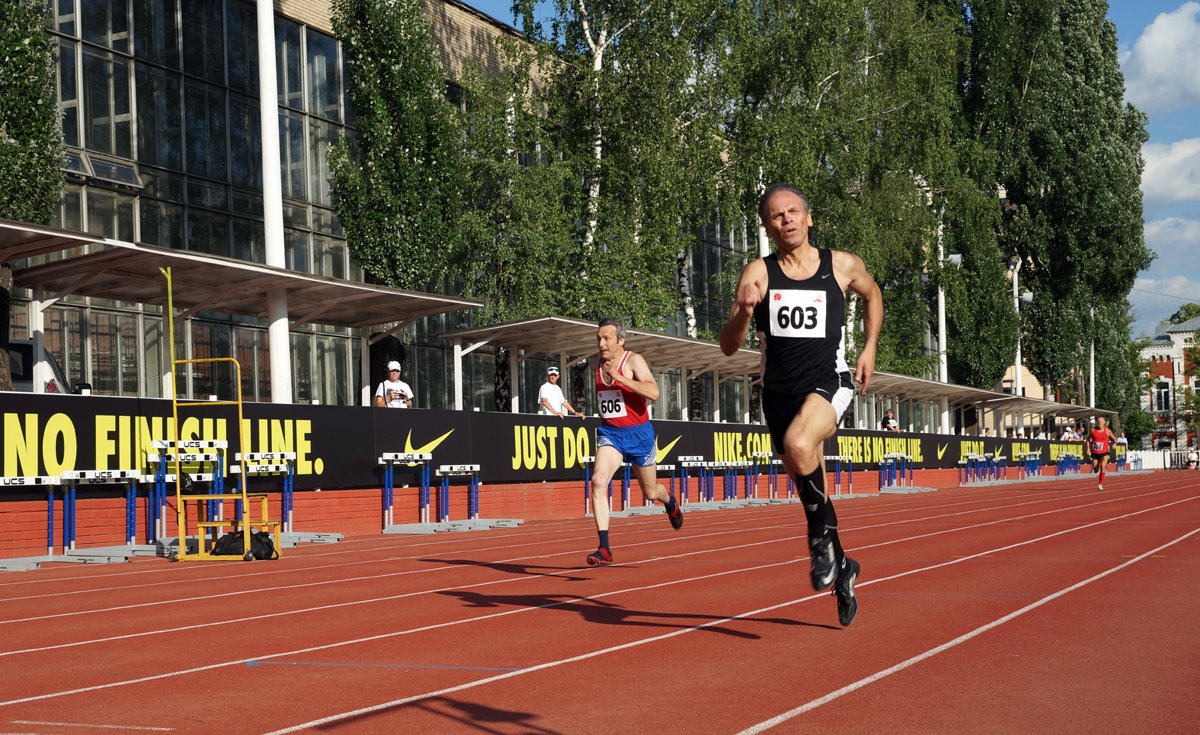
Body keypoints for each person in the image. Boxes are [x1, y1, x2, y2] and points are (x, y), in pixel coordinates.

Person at [719, 183, 882, 627]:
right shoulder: (759, 273)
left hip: (830, 381)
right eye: (776, 215)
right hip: (779, 394)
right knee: (811, 480)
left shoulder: (842, 265)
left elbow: (873, 295)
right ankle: (843, 566)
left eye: (793, 212)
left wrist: (868, 349)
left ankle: (818, 540)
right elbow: (728, 347)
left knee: (799, 441)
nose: (787, 219)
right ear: (767, 226)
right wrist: (744, 313)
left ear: (809, 218)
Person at [585, 317, 683, 566]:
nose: (601, 343)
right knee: (597, 481)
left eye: (606, 338)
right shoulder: (593, 364)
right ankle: (604, 548)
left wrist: (618, 377)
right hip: (611, 434)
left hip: (639, 435)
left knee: (650, 492)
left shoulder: (634, 360)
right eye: (598, 338)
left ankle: (669, 501)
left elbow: (654, 393)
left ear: (620, 340)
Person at [1086, 416, 1116, 490]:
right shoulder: (1093, 430)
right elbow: (1087, 439)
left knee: (1103, 467)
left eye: (1101, 421)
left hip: (1104, 452)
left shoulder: (1107, 431)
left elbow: (1114, 439)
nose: (1099, 422)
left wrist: (1115, 444)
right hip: (1095, 453)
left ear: (1104, 423)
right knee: (1096, 470)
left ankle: (1100, 484)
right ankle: (1098, 462)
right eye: (1098, 421)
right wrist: (1088, 448)